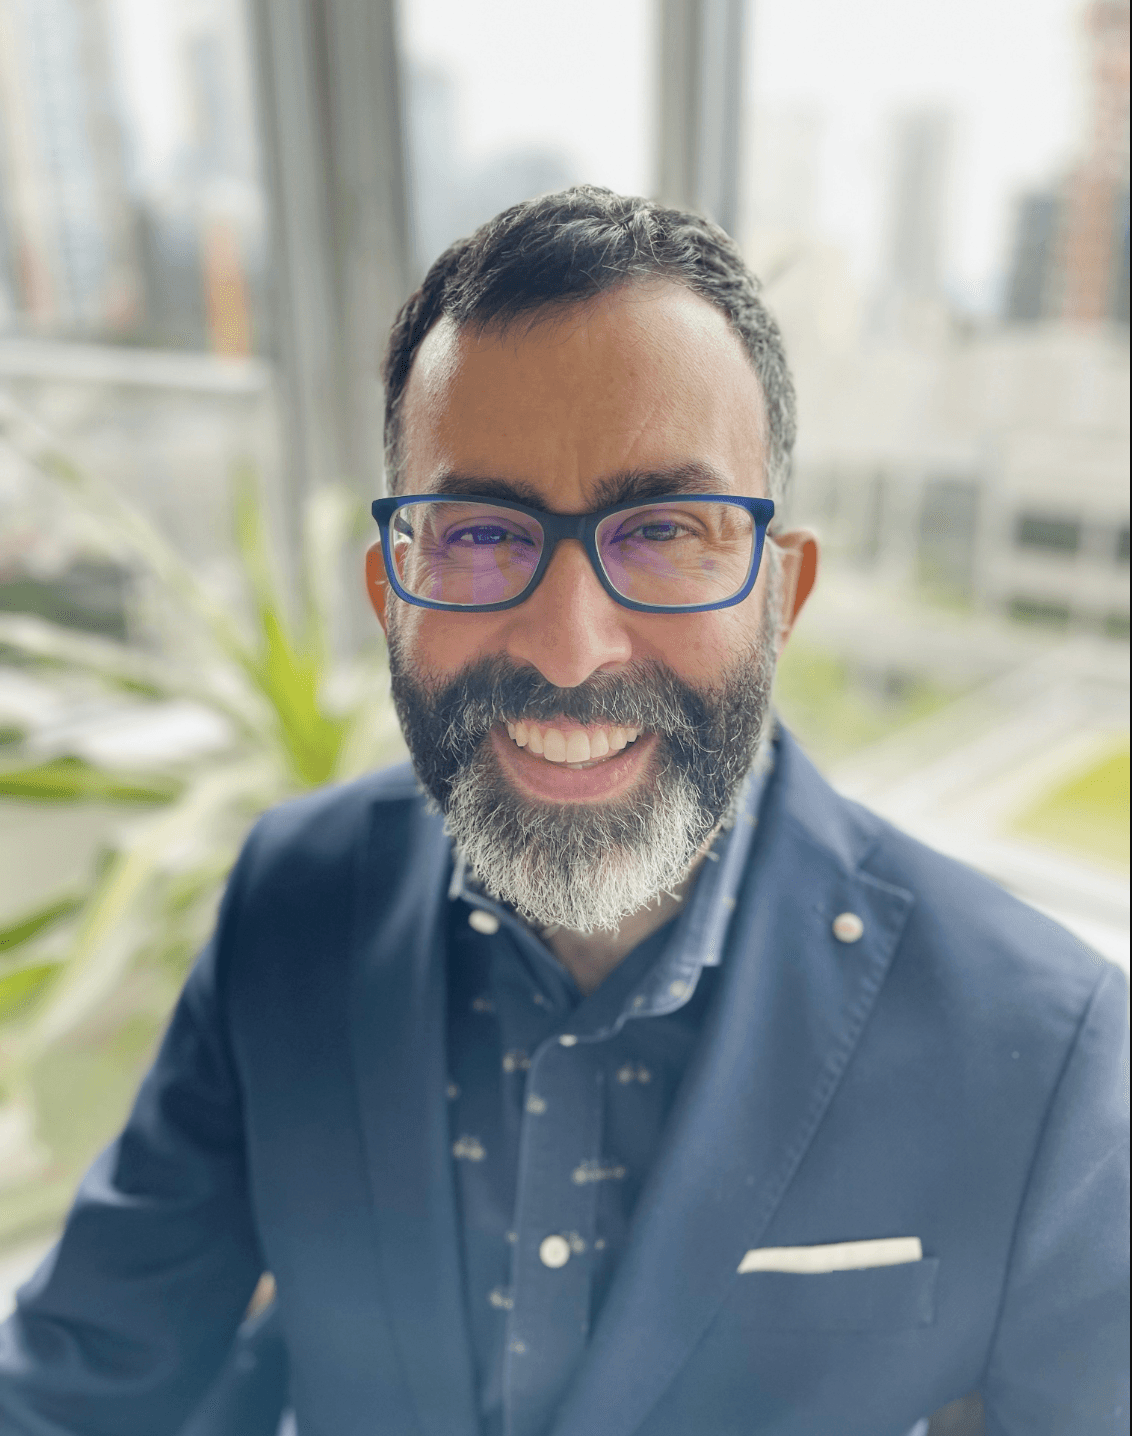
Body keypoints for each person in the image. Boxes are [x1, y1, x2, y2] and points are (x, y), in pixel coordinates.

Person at [0, 187, 1126, 1436]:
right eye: (479, 534)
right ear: (392, 591)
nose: (573, 644)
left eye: (666, 530)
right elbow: (85, 1369)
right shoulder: (290, 897)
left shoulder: (1043, 1041)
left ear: (778, 594)